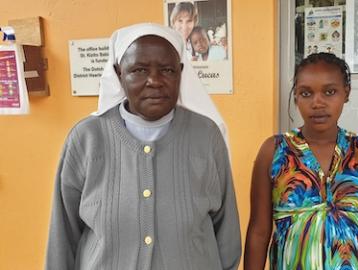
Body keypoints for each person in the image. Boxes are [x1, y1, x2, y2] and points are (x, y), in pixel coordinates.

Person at [45, 23, 241, 270]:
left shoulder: (207, 136)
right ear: (118, 73)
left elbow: (226, 232)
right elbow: (63, 235)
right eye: (138, 70)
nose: (154, 81)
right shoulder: (86, 139)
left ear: (181, 72)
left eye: (167, 70)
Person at [244, 52, 358, 269]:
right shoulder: (274, 151)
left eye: (330, 92)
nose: (318, 103)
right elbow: (258, 233)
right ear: (296, 96)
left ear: (346, 93)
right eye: (306, 93)